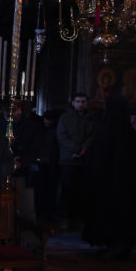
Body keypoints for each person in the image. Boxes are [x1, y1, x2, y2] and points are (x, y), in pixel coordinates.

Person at [82, 95, 136, 260]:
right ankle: (114, 245)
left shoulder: (109, 133)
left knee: (116, 216)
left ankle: (118, 246)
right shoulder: (127, 134)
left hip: (113, 186)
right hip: (117, 186)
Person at [56, 92, 95, 229]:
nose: (80, 104)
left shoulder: (91, 118)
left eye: (83, 101)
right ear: (72, 103)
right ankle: (65, 218)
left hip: (84, 160)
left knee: (82, 191)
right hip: (68, 159)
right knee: (67, 190)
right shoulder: (65, 118)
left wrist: (84, 149)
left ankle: (79, 218)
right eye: (78, 101)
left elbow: (92, 136)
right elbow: (62, 136)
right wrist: (76, 149)